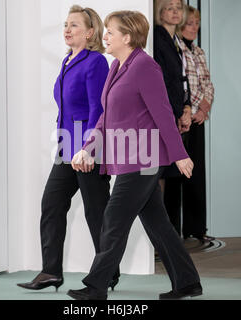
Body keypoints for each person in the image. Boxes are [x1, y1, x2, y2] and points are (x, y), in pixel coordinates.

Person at [67, 10, 202, 300]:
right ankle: (188, 282)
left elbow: (163, 114)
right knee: (158, 224)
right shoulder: (117, 66)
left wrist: (179, 154)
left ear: (127, 37)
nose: (106, 36)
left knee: (114, 220)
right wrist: (88, 147)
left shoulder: (145, 67)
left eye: (111, 32)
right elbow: (105, 116)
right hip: (128, 158)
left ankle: (96, 286)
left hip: (143, 159)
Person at [17, 5, 119, 292]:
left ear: (90, 32)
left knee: (96, 212)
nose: (67, 29)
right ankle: (50, 272)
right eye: (65, 24)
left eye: (74, 25)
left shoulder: (96, 61)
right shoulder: (67, 62)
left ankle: (107, 271)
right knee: (51, 205)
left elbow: (98, 109)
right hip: (66, 149)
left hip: (88, 150)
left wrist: (89, 148)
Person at [173, 5, 215, 242]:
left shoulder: (199, 51)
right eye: (190, 23)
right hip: (181, 119)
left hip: (197, 119)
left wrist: (203, 109)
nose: (194, 28)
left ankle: (196, 229)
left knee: (196, 175)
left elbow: (208, 83)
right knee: (176, 175)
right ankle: (173, 231)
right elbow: (180, 85)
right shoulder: (175, 48)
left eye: (197, 23)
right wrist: (187, 111)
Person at [153, 0, 193, 237]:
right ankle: (159, 235)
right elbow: (163, 83)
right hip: (164, 115)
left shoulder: (176, 41)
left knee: (168, 174)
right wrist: (176, 113)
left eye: (178, 6)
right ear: (160, 12)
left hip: (176, 112)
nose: (175, 11)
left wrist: (186, 108)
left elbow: (181, 79)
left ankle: (164, 235)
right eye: (169, 7)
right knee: (158, 175)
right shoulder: (158, 39)